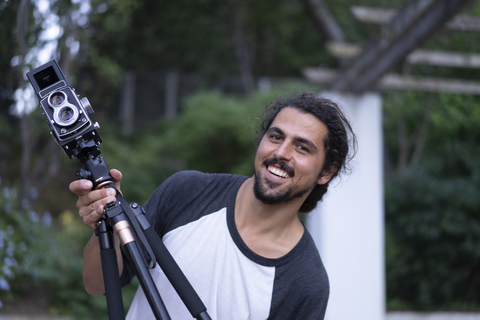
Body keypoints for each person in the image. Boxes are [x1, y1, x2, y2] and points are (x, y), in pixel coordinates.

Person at [69, 91, 356, 319]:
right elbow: (97, 284)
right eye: (276, 136)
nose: (281, 152)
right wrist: (106, 217)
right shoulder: (187, 192)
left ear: (327, 171)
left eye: (302, 147)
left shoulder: (305, 283)